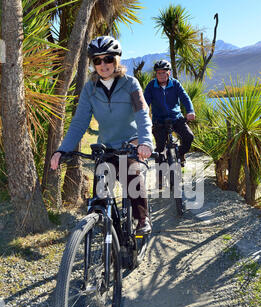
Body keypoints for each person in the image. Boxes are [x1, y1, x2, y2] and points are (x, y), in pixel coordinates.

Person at [51, 36, 153, 234]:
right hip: (106, 146)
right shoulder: (90, 89)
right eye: (97, 60)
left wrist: (145, 143)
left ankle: (142, 219)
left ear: (116, 60)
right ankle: (113, 239)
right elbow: (79, 122)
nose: (103, 64)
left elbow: (142, 114)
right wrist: (62, 150)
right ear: (93, 63)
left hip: (130, 143)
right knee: (100, 195)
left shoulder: (131, 84)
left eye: (107, 58)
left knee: (132, 173)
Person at [144, 60, 196, 167]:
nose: (162, 75)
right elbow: (145, 103)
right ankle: (160, 175)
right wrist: (145, 118)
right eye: (159, 73)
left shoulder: (175, 84)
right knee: (159, 149)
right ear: (156, 74)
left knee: (189, 137)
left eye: (164, 72)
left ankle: (180, 154)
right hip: (159, 120)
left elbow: (185, 98)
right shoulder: (150, 86)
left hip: (176, 118)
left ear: (169, 73)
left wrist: (190, 111)